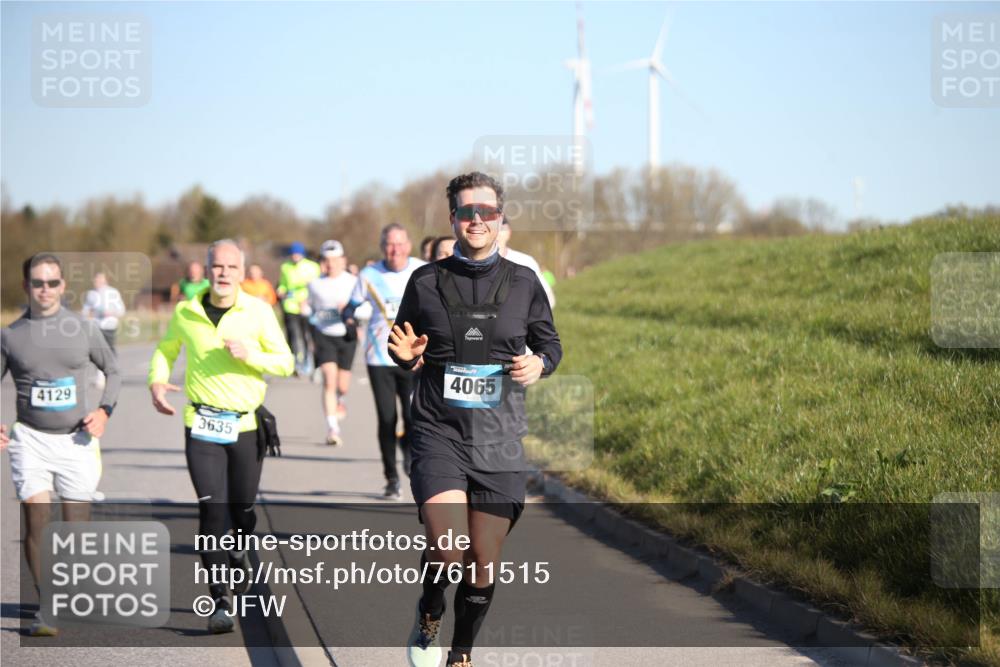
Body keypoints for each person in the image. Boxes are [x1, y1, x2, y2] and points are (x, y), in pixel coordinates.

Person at [388, 172, 561, 667]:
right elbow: (402, 343)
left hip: (499, 439)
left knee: (483, 561)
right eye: (467, 211)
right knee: (449, 548)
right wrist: (404, 355)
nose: (477, 219)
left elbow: (550, 344)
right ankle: (429, 612)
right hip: (439, 432)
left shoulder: (525, 282)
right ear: (454, 219)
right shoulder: (425, 281)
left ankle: (461, 653)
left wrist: (539, 363)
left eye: (487, 211)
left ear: (501, 218)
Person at [148, 240, 293, 634]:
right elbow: (166, 349)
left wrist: (252, 355)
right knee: (212, 510)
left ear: (241, 271)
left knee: (242, 511)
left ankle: (241, 546)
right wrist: (157, 380)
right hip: (202, 426)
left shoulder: (258, 312)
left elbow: (286, 362)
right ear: (207, 269)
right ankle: (219, 600)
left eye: (231, 266)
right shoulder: (187, 311)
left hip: (246, 426)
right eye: (217, 266)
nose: (223, 272)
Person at [1, 253, 121, 637]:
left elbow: (113, 370)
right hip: (29, 440)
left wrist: (104, 411)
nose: (46, 289)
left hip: (77, 440)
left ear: (63, 286)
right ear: (26, 287)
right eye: (38, 283)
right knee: (36, 520)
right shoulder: (10, 335)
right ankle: (46, 603)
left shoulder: (82, 329)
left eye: (52, 282)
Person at [342, 224, 425, 500]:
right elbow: (351, 306)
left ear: (409, 245)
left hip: (413, 359)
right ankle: (391, 478)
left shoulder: (421, 270)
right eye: (390, 244)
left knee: (414, 418)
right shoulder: (368, 275)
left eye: (400, 243)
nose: (395, 249)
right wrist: (350, 319)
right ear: (382, 247)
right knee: (387, 419)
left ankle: (410, 456)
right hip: (379, 357)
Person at [306, 240, 359, 446]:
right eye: (326, 261)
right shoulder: (314, 284)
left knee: (342, 385)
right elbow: (310, 310)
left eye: (335, 260)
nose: (331, 265)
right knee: (329, 380)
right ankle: (332, 428)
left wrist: (349, 310)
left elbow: (365, 310)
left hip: (346, 335)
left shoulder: (353, 282)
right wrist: (306, 311)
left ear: (343, 261)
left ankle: (341, 399)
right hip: (324, 335)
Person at [278, 242, 322, 376]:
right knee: (292, 334)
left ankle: (312, 362)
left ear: (302, 254)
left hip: (307, 305)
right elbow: (283, 284)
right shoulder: (285, 267)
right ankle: (296, 362)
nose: (294, 256)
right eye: (292, 254)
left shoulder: (312, 267)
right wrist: (281, 291)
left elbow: (318, 287)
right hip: (290, 305)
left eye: (297, 254)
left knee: (307, 335)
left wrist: (307, 300)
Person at [497, 220, 555, 308]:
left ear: (509, 232)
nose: (497, 233)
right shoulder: (472, 263)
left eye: (501, 228)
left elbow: (548, 297)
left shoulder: (525, 262)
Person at [81, 272, 126, 352]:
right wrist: (87, 316)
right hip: (95, 326)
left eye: (100, 279)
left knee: (109, 349)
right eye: (96, 280)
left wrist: (111, 313)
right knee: (95, 350)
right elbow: (85, 311)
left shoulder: (113, 292)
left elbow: (121, 311)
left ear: (105, 281)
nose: (97, 281)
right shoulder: (91, 294)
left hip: (109, 326)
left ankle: (111, 364)